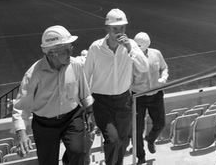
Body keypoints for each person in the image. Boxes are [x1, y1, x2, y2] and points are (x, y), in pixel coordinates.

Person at [13, 25, 95, 165]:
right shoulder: (33, 74)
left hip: (72, 118)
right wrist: (21, 134)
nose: (71, 51)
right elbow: (21, 109)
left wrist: (90, 112)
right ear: (51, 53)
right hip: (45, 124)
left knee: (79, 151)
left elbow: (84, 92)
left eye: (71, 47)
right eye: (66, 49)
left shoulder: (75, 65)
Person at [84, 8, 149, 165]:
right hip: (101, 102)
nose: (119, 32)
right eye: (115, 28)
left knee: (123, 140)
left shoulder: (131, 46)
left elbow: (144, 67)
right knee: (113, 140)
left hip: (123, 101)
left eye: (122, 28)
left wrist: (130, 48)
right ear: (107, 28)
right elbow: (86, 74)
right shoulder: (96, 48)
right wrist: (86, 103)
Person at [132, 32, 169, 164]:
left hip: (156, 93)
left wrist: (163, 78)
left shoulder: (156, 53)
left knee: (160, 123)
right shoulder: (131, 57)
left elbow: (164, 67)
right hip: (138, 96)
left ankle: (150, 139)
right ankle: (140, 156)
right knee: (136, 130)